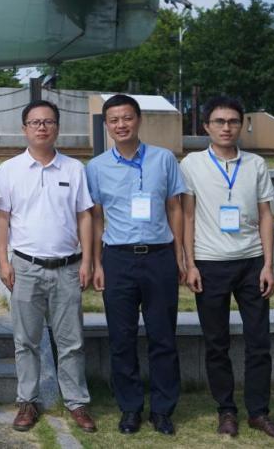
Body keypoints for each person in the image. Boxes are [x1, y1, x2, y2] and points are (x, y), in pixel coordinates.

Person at [181, 97, 274, 440]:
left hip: (251, 262)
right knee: (217, 343)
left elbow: (266, 215)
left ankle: (259, 412)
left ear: (241, 125)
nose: (226, 127)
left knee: (259, 342)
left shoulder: (255, 164)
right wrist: (190, 263)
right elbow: (187, 216)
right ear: (206, 127)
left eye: (232, 121)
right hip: (210, 263)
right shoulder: (192, 164)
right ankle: (226, 410)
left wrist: (268, 265)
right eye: (219, 121)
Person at [85, 94, 187, 436]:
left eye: (127, 118)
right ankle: (129, 408)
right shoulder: (96, 167)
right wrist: (97, 262)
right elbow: (96, 217)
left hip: (159, 257)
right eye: (114, 120)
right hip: (118, 258)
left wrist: (179, 254)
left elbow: (175, 208)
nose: (121, 125)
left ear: (138, 119)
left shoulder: (164, 159)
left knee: (163, 337)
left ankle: (162, 409)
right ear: (106, 125)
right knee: (121, 338)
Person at [0, 100, 97, 434]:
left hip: (67, 267)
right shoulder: (9, 170)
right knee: (26, 341)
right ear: (24, 128)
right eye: (35, 122)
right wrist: (3, 261)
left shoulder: (73, 168)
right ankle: (28, 401)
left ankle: (77, 402)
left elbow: (85, 216)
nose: (42, 127)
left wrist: (88, 260)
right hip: (26, 266)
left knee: (71, 341)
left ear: (57, 127)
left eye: (48, 122)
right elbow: (2, 218)